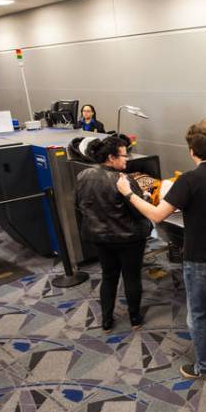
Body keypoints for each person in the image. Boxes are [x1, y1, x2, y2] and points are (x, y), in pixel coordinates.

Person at [117, 124, 206, 379]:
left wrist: (128, 193)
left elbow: (156, 214)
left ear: (192, 151)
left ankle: (205, 367)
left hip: (198, 259)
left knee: (198, 314)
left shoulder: (188, 180)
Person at [75, 136, 150, 331]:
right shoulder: (122, 180)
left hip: (100, 238)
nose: (127, 160)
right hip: (128, 238)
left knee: (109, 276)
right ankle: (135, 318)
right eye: (124, 156)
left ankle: (107, 321)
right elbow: (137, 211)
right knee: (131, 277)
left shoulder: (83, 175)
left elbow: (79, 206)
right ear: (111, 157)